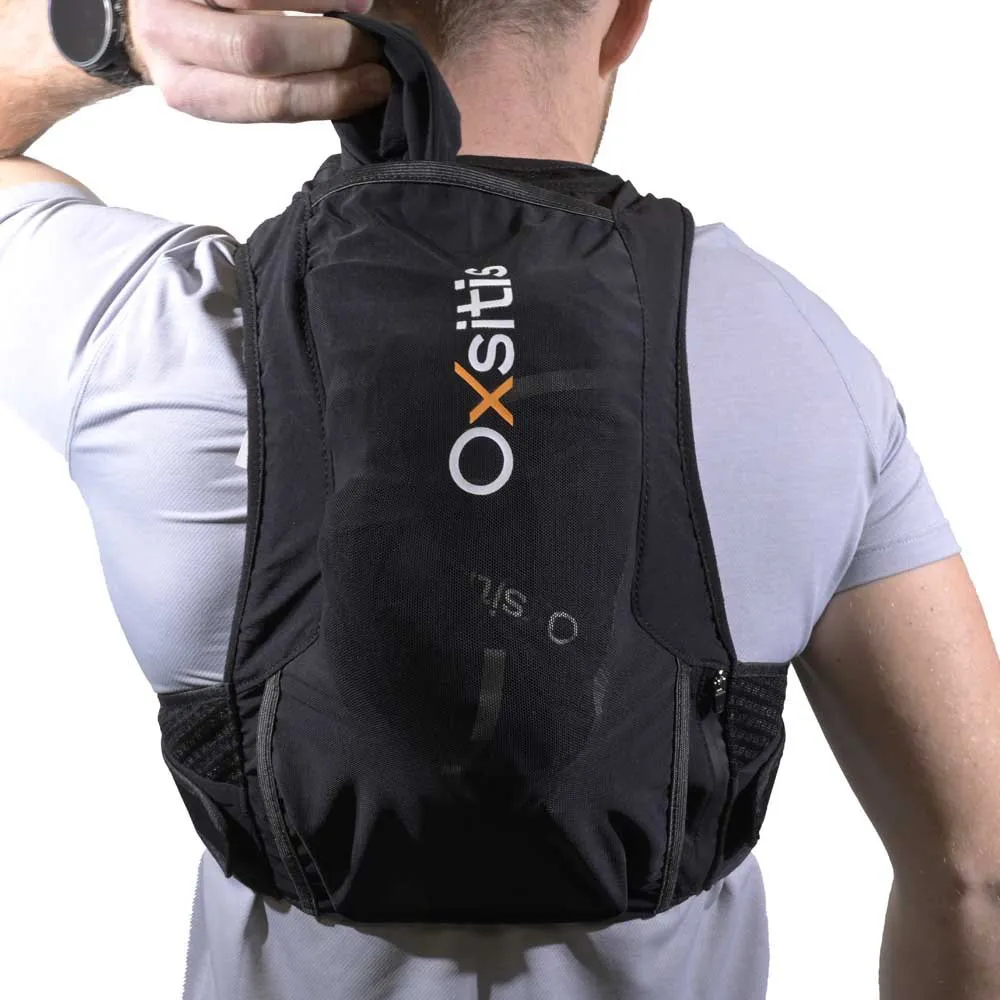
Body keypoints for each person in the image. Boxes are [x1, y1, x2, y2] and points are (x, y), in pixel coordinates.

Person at [1, 1, 998, 998]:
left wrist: (119, 29)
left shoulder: (166, 334)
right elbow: (978, 871)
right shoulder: (795, 355)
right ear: (625, 18)